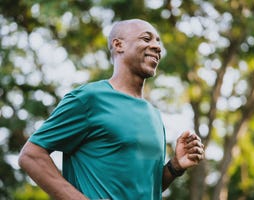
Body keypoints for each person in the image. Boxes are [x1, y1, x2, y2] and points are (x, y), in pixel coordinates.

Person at [18, 19, 205, 200]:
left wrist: (175, 166)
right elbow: (31, 155)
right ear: (118, 45)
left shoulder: (154, 115)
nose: (157, 46)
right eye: (146, 39)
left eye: (158, 41)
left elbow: (146, 188)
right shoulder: (89, 98)